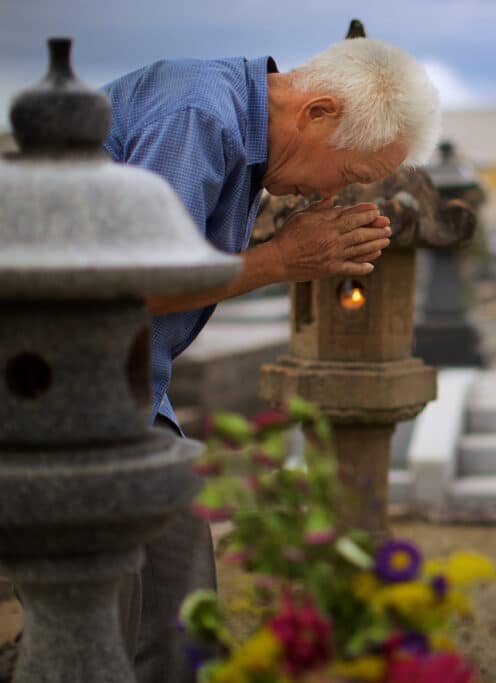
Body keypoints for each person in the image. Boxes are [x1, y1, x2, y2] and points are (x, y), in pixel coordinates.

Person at [98, 36, 441, 683]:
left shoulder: (242, 133)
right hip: (52, 390)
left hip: (127, 393)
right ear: (316, 114)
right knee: (96, 618)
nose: (325, 197)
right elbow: (125, 282)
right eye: (343, 176)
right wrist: (281, 260)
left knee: (180, 605)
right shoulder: (199, 115)